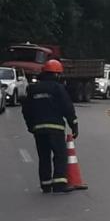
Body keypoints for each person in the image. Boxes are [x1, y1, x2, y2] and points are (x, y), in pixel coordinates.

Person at [21, 59, 79, 193]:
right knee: (60, 155)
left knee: (44, 157)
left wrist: (31, 126)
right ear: (57, 74)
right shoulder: (58, 88)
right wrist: (74, 125)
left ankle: (45, 184)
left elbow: (26, 110)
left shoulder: (33, 88)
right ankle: (59, 185)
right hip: (56, 128)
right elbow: (67, 108)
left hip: (39, 130)